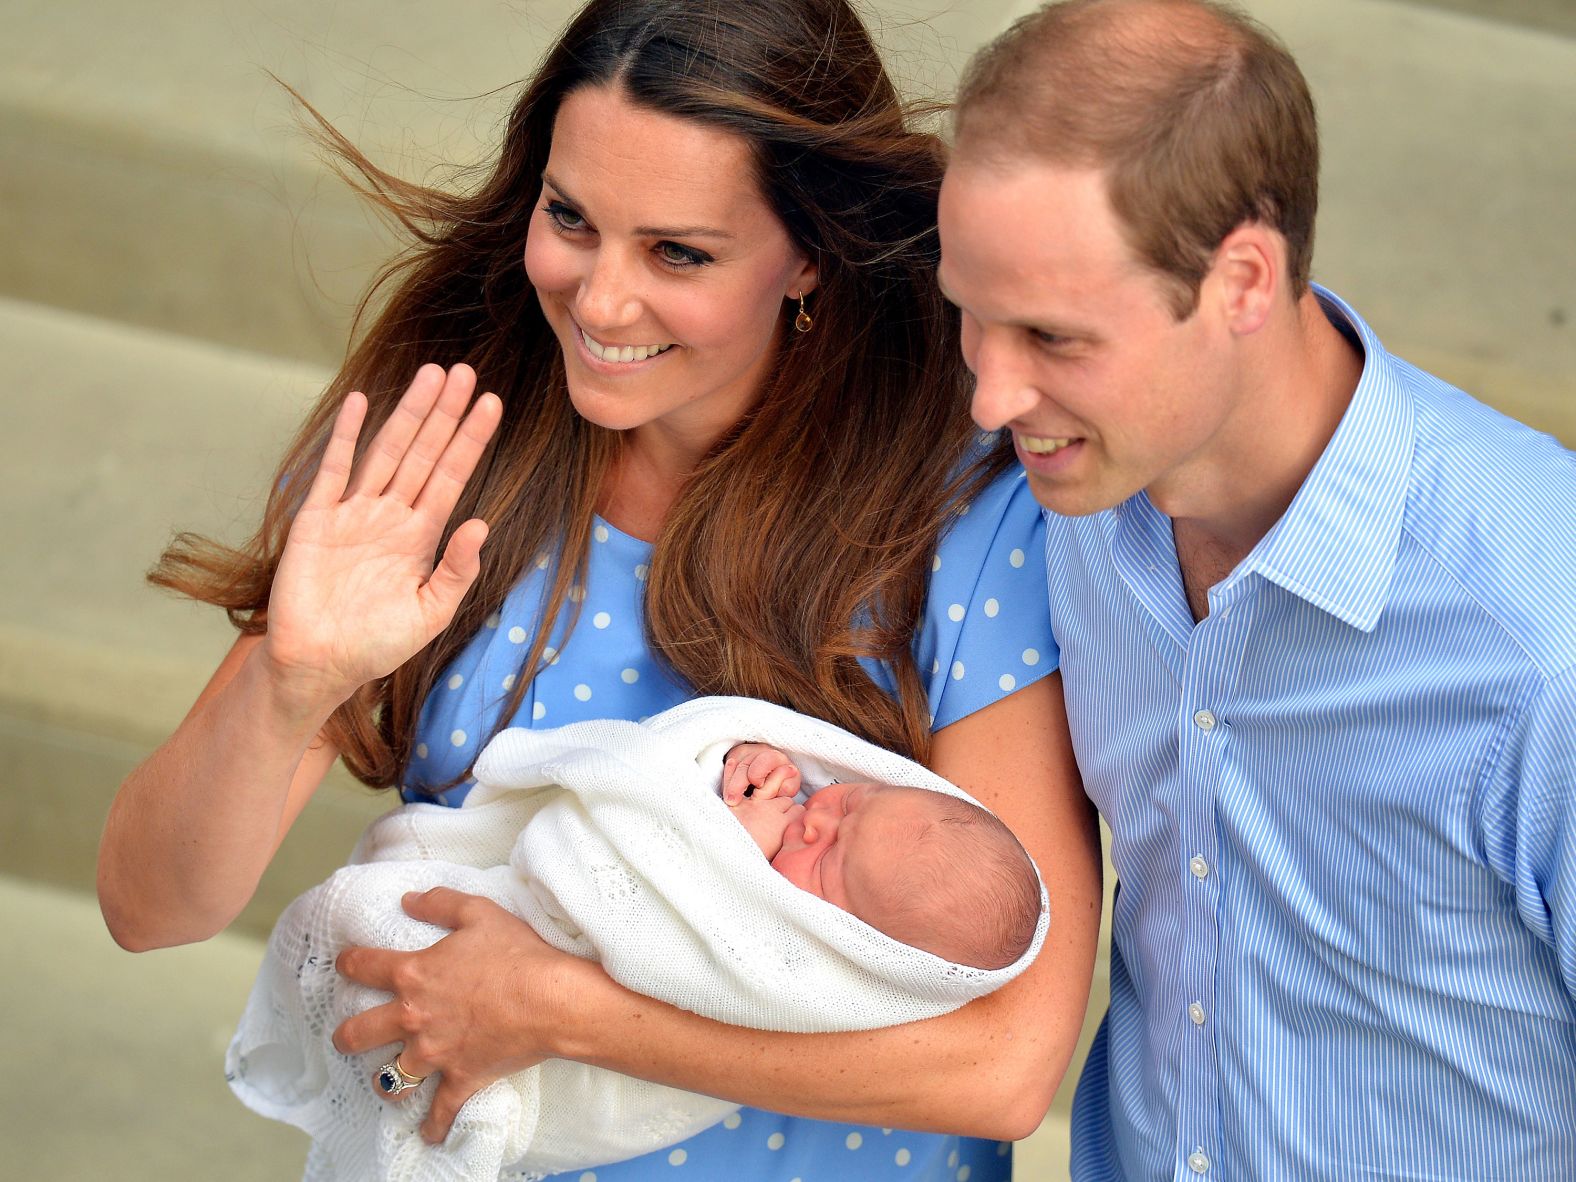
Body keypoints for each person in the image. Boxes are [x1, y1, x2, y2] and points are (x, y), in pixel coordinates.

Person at [97, 1, 1103, 1179]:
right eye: (569, 219)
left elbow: (1005, 1070)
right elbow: (148, 907)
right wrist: (288, 685)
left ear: (811, 255)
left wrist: (560, 1011)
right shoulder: (450, 455)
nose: (600, 301)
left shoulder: (968, 514)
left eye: (678, 252)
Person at [939, 1, 1576, 1178]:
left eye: (1052, 336)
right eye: (969, 316)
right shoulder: (1060, 502)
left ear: (1242, 279)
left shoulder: (1543, 639)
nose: (990, 393)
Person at [228, 698, 1052, 1181]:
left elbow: (632, 904)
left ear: (860, 947)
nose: (821, 813)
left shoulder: (800, 966)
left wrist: (721, 836)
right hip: (460, 937)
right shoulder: (794, 809)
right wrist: (729, 765)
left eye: (830, 854)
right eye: (859, 804)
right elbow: (689, 782)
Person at [725, 739, 1041, 971]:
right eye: (848, 803)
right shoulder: (803, 812)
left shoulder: (793, 961)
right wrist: (753, 763)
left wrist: (736, 846)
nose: (814, 821)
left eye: (826, 861)